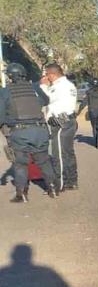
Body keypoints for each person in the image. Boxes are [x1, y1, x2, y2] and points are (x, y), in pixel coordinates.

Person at [0, 63, 58, 203]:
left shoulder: (5, 91)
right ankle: (52, 188)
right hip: (40, 130)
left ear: (11, 76)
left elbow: (1, 116)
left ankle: (22, 194)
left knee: (20, 164)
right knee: (44, 161)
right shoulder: (35, 88)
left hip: (20, 133)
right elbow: (46, 100)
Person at [39, 63, 78, 191]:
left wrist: (43, 86)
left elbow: (47, 98)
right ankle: (71, 180)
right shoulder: (68, 85)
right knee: (68, 153)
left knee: (58, 154)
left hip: (61, 120)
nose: (46, 77)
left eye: (47, 74)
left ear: (53, 74)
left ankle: (58, 184)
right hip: (68, 119)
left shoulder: (59, 86)